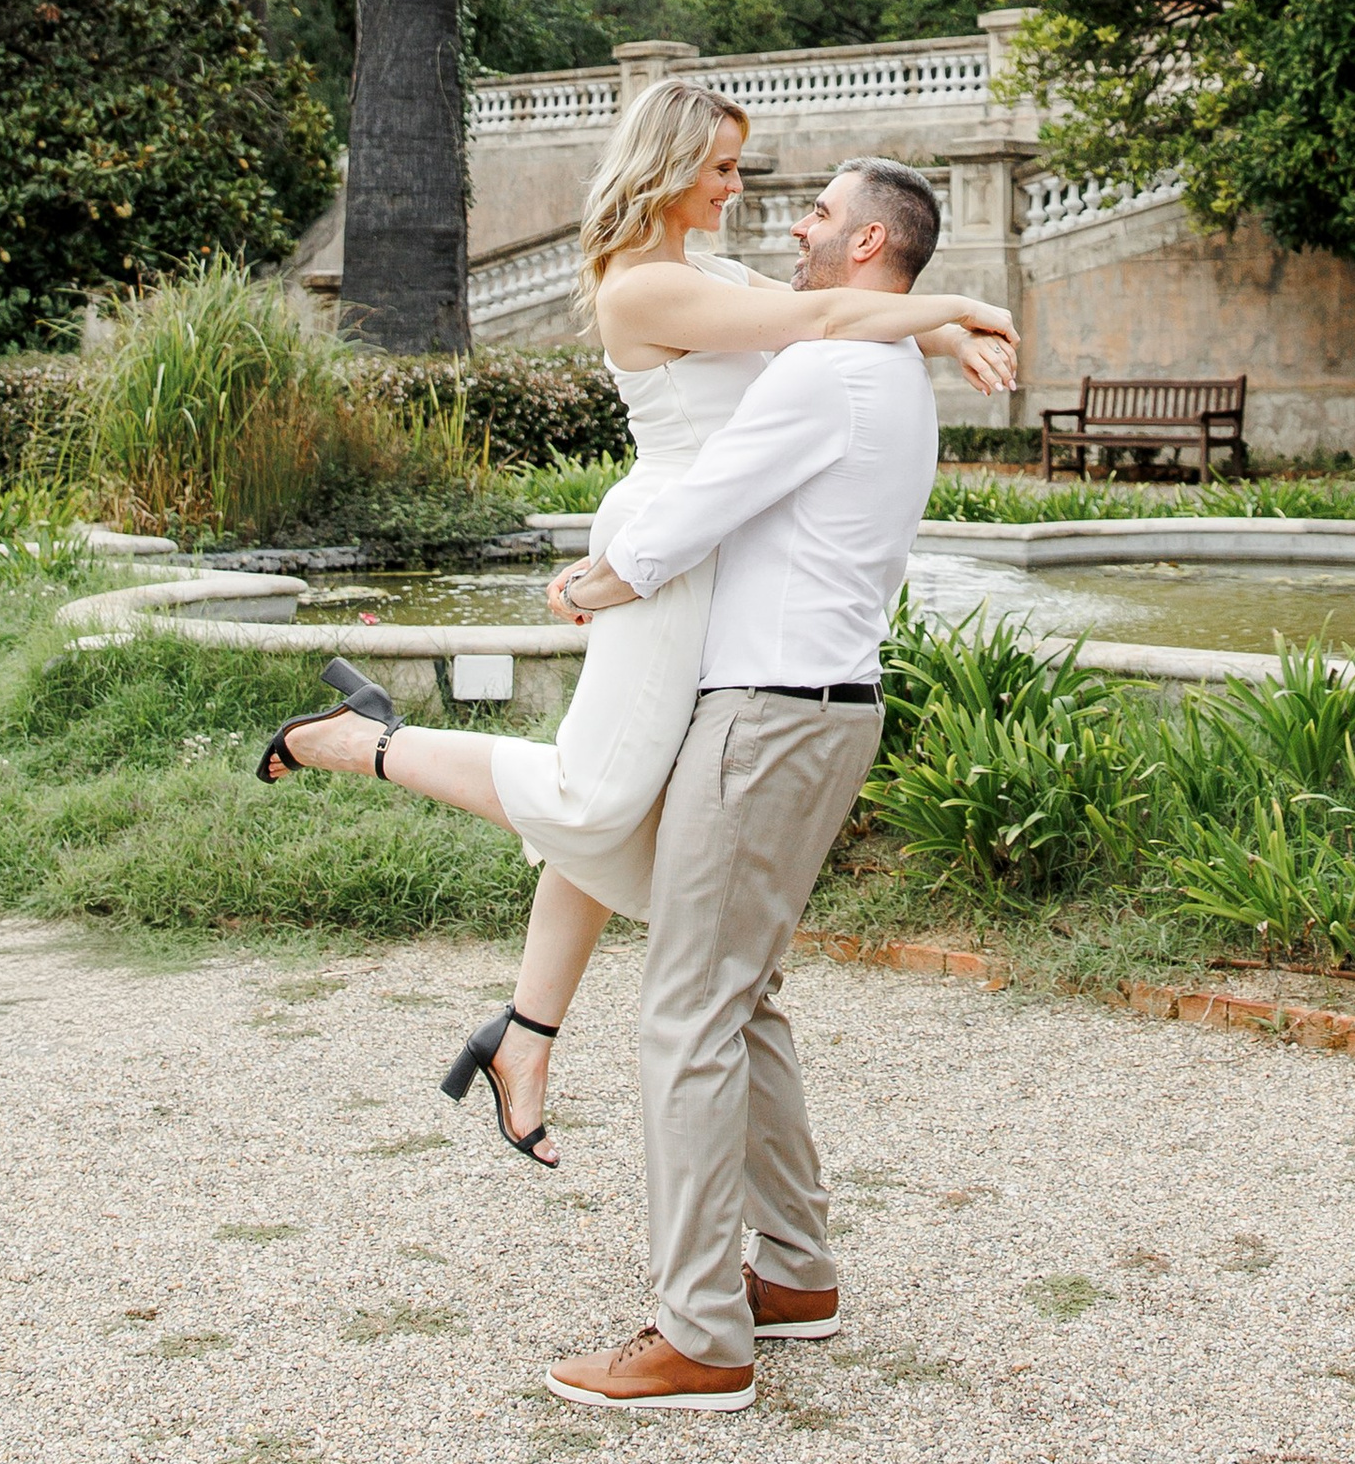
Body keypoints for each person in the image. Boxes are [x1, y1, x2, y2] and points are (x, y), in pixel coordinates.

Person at [256, 81, 1016, 1165]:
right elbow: (820, 315)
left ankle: (525, 1033)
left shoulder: (706, 270)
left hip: (711, 556)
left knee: (621, 797)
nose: (738, 188)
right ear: (666, 170)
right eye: (721, 169)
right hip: (664, 549)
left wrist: (946, 336)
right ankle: (357, 741)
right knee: (598, 794)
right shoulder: (642, 290)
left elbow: (838, 316)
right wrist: (962, 315)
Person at [543, 153, 948, 1411]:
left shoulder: (827, 369)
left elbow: (691, 513)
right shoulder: (878, 361)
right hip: (822, 708)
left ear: (870, 246)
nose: (798, 224)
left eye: (823, 212)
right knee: (742, 996)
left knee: (687, 1016)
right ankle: (798, 1276)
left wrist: (591, 580)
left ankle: (700, 1334)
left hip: (768, 717)